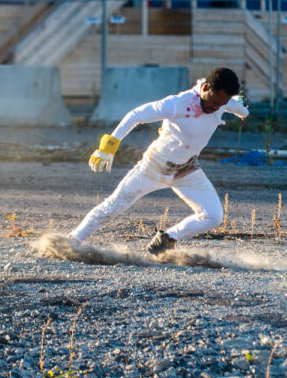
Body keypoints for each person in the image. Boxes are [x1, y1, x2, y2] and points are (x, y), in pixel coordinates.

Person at [69, 67, 248, 255]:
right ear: (205, 87)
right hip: (154, 166)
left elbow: (239, 109)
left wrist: (243, 112)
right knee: (115, 205)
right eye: (214, 102)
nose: (215, 108)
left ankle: (167, 238)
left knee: (214, 217)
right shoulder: (178, 104)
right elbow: (136, 115)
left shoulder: (222, 103)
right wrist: (108, 146)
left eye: (222, 105)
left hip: (187, 170)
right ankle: (72, 240)